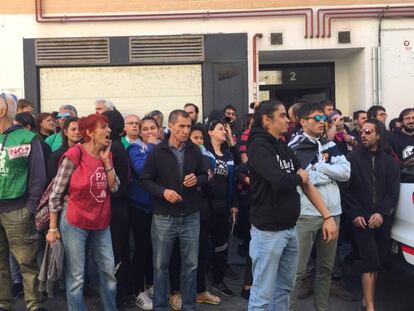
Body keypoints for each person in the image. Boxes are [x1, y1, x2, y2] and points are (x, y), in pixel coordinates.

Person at [247, 100, 338, 311]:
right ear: (267, 120)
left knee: (285, 289)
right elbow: (279, 181)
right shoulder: (258, 146)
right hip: (268, 232)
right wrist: (299, 177)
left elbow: (306, 182)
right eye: (282, 116)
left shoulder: (282, 146)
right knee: (262, 295)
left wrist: (327, 216)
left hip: (290, 228)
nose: (288, 120)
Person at [47, 113, 119, 311]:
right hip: (75, 221)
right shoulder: (74, 155)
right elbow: (56, 194)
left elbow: (113, 188)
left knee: (108, 273)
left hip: (101, 221)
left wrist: (107, 163)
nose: (109, 131)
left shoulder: (108, 153)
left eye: (108, 127)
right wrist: (53, 229)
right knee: (76, 277)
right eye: (103, 127)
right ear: (89, 132)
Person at [140, 110, 208, 311]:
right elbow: (144, 180)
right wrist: (163, 192)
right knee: (160, 266)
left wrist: (198, 180)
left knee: (191, 266)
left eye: (188, 126)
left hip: (190, 216)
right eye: (181, 126)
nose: (186, 131)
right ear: (170, 126)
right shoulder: (157, 151)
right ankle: (160, 306)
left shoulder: (194, 150)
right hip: (164, 216)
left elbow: (206, 175)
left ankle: (189, 306)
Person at [288, 103, 350, 311]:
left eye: (324, 119)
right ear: (303, 121)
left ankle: (321, 308)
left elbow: (346, 172)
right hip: (307, 213)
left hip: (333, 213)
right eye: (317, 119)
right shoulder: (294, 146)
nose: (322, 123)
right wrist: (329, 172)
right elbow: (304, 179)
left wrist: (320, 167)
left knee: (326, 268)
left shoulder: (329, 144)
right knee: (298, 270)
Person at [340, 119, 400, 311]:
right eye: (361, 131)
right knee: (370, 260)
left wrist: (382, 213)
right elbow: (345, 190)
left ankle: (368, 298)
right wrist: (355, 214)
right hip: (361, 219)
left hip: (382, 219)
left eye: (368, 131)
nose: (363, 135)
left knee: (379, 261)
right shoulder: (352, 159)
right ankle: (370, 307)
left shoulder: (390, 162)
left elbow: (393, 192)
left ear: (378, 135)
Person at [0, 93, 47, 311]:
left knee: (27, 262)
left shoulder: (27, 138)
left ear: (2, 111)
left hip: (17, 209)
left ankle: (34, 304)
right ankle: (4, 303)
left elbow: (38, 176)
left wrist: (30, 207)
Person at [128, 116, 160, 310]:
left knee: (152, 247)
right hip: (139, 206)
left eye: (152, 128)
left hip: (157, 206)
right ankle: (138, 290)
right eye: (145, 129)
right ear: (140, 132)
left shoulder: (160, 147)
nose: (149, 132)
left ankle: (150, 284)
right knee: (141, 248)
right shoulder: (135, 148)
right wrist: (151, 147)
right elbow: (142, 169)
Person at [204, 119, 238, 297]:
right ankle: (200, 285)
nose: (224, 131)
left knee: (221, 246)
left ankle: (218, 280)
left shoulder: (229, 156)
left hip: (223, 207)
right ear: (210, 132)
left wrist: (233, 204)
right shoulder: (204, 153)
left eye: (225, 129)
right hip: (206, 207)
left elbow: (232, 182)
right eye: (220, 128)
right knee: (204, 247)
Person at [103, 110, 133, 308]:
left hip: (115, 206)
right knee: (120, 250)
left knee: (116, 252)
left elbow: (114, 184)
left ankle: (119, 295)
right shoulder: (117, 146)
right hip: (120, 206)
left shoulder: (113, 149)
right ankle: (123, 293)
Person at [47, 117, 81, 184]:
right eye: (73, 129)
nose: (77, 132)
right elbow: (52, 181)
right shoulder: (56, 155)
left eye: (80, 129)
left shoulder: (87, 152)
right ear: (65, 132)